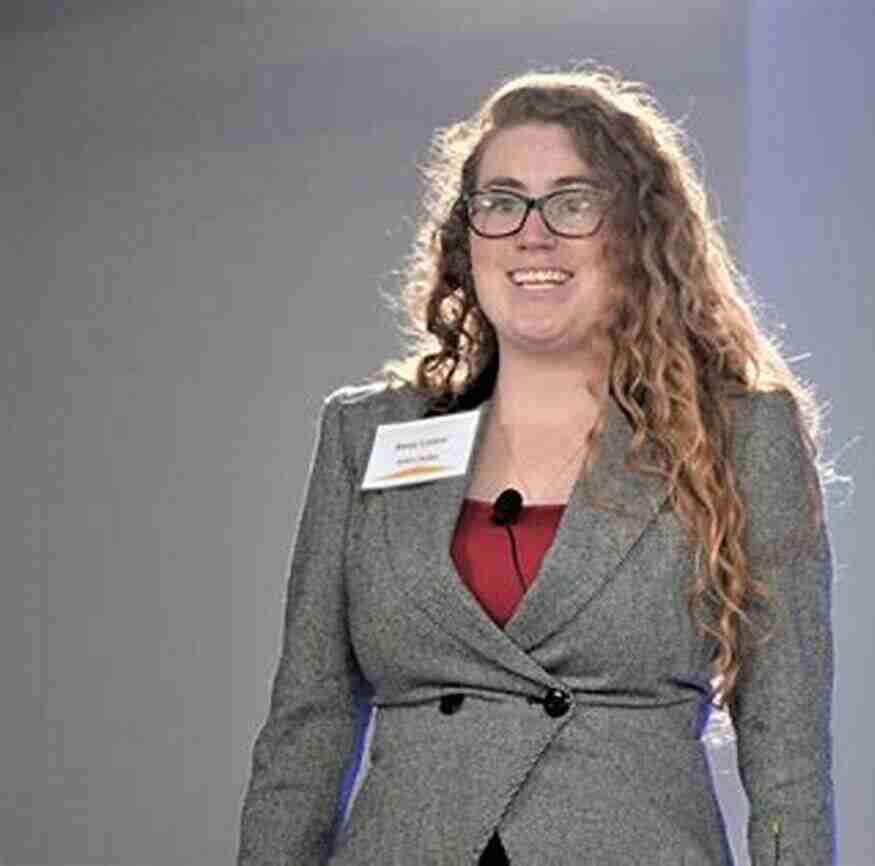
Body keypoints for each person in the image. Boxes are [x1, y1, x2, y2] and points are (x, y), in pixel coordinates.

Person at [236, 68, 835, 865]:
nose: (532, 233)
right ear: (466, 236)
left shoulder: (739, 436)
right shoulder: (367, 433)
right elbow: (306, 724)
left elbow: (787, 742)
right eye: (502, 201)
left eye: (573, 202)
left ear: (636, 234)